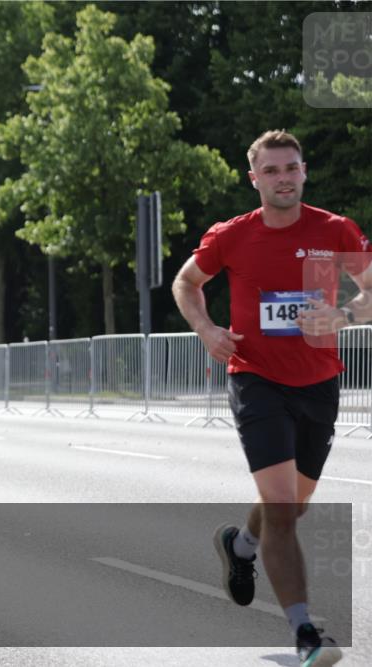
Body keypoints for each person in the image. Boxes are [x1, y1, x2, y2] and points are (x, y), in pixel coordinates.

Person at [172, 130, 371, 667]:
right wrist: (207, 330)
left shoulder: (334, 229)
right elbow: (186, 284)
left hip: (319, 383)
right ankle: (305, 631)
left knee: (293, 506)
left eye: (292, 168)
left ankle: (240, 545)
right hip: (255, 379)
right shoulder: (231, 236)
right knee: (283, 509)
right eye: (272, 170)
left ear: (304, 171)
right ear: (254, 178)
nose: (284, 178)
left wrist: (346, 314)